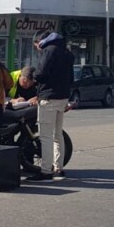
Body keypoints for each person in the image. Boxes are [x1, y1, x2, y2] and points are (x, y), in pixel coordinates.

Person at [28, 30, 75, 181]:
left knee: (46, 136)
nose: (37, 48)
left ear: (40, 41)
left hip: (48, 98)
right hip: (63, 97)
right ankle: (58, 168)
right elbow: (71, 78)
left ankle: (46, 171)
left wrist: (33, 75)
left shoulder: (49, 50)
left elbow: (41, 73)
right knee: (57, 135)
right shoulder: (66, 51)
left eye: (36, 45)